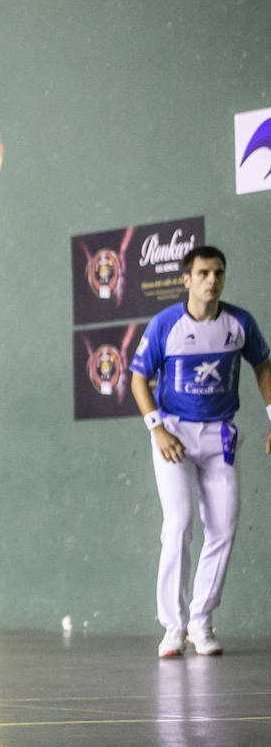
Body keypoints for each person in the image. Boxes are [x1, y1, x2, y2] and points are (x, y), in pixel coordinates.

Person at [129, 246, 271, 658]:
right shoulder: (165, 325)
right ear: (186, 279)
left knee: (223, 529)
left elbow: (263, 365)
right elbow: (139, 378)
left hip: (219, 437)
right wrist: (156, 428)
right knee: (179, 525)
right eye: (204, 273)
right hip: (173, 435)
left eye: (219, 273)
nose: (213, 280)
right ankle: (172, 627)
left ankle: (200, 622)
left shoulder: (239, 323)